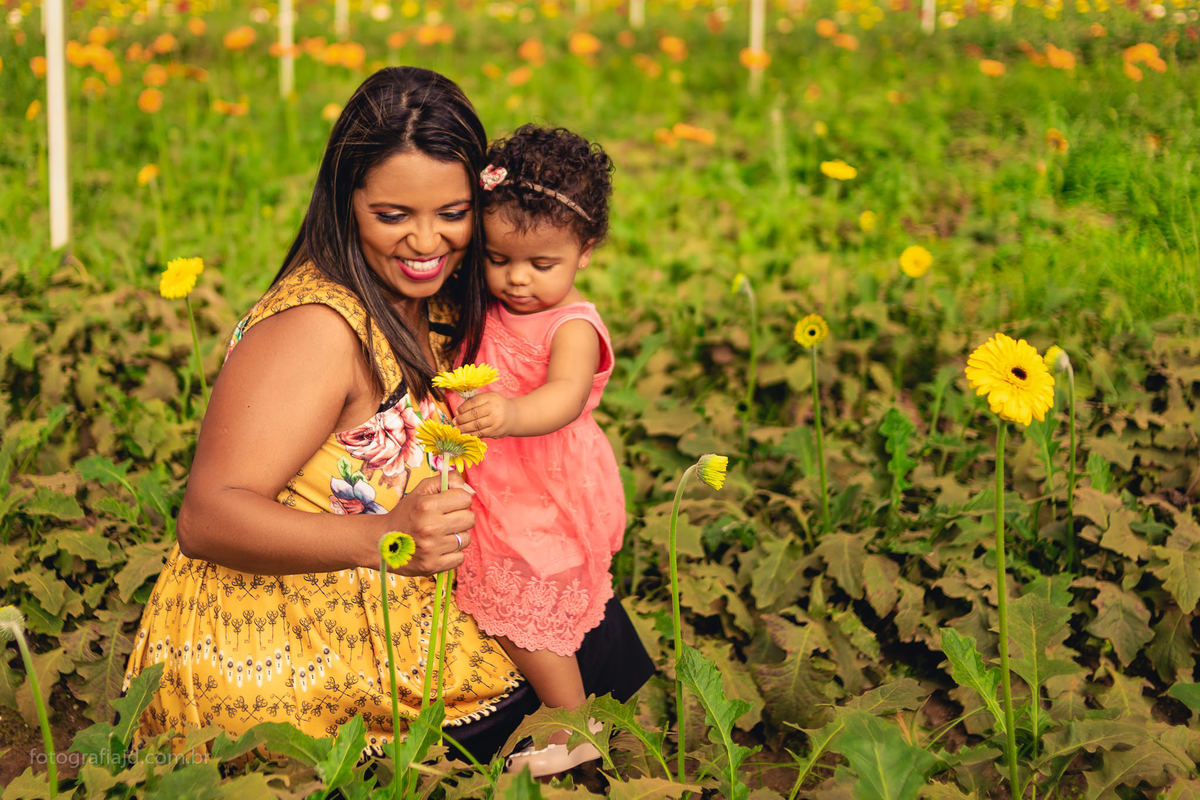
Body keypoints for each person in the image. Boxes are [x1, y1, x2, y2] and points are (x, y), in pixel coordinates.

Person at [120, 67, 652, 764]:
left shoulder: (445, 291)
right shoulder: (317, 330)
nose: (426, 242)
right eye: (393, 215)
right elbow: (207, 517)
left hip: (410, 590)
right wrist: (387, 537)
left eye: (453, 215)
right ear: (346, 203)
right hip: (285, 648)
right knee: (580, 662)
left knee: (589, 629)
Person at [450, 125, 626, 777]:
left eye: (540, 265)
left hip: (539, 482)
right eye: (498, 260)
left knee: (521, 596)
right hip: (490, 475)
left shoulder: (571, 324)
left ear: (586, 249)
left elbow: (567, 397)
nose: (517, 280)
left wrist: (513, 412)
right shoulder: (492, 297)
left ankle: (574, 723)